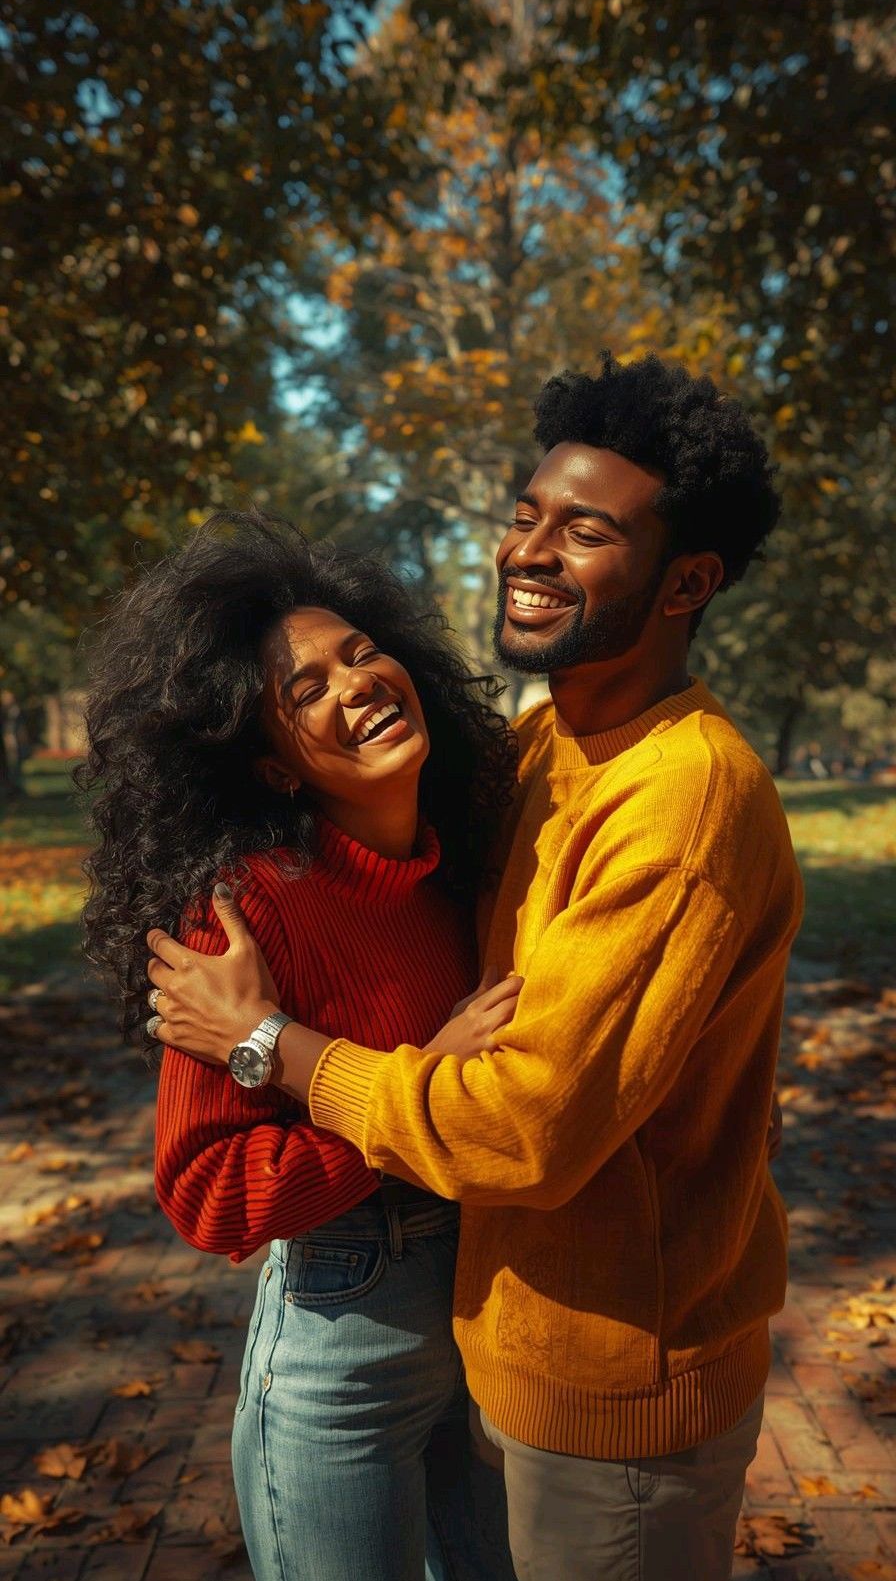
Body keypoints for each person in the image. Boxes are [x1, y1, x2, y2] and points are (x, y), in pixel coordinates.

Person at [148, 353, 804, 1581]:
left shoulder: (680, 797)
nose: (528, 551)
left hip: (614, 1386)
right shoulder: (543, 744)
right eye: (524, 515)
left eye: (586, 531)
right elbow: (213, 1183)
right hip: (489, 1340)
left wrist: (276, 1048)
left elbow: (525, 1125)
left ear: (686, 583)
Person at [79, 513, 519, 1581]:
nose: (354, 683)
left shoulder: (463, 864)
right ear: (274, 768)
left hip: (491, 1311)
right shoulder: (242, 915)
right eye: (305, 690)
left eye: (360, 653)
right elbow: (207, 1192)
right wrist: (417, 1095)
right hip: (343, 1345)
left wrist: (309, 1061)